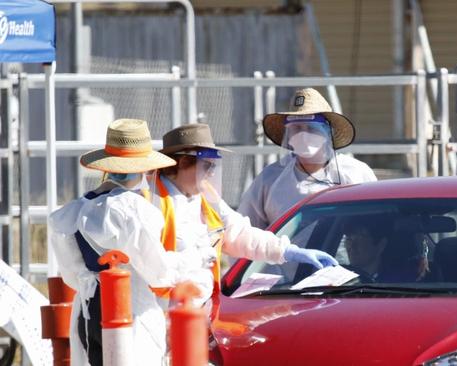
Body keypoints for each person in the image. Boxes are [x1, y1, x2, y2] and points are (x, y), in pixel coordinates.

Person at [49, 119, 217, 366]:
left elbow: (72, 276)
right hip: (130, 315)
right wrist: (197, 257)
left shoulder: (73, 211)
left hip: (86, 315)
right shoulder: (131, 209)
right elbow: (160, 273)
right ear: (143, 170)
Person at [151, 123, 338, 305]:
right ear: (183, 162)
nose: (211, 173)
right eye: (207, 166)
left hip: (199, 311)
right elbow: (154, 266)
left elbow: (239, 233)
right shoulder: (151, 202)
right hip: (164, 315)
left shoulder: (206, 199)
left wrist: (287, 251)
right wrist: (198, 256)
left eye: (214, 166)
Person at [238, 88, 377, 229]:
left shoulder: (355, 173)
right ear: (288, 134)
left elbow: (375, 223)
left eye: (312, 128)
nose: (303, 135)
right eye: (296, 128)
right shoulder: (269, 179)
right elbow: (247, 230)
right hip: (284, 251)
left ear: (328, 132)